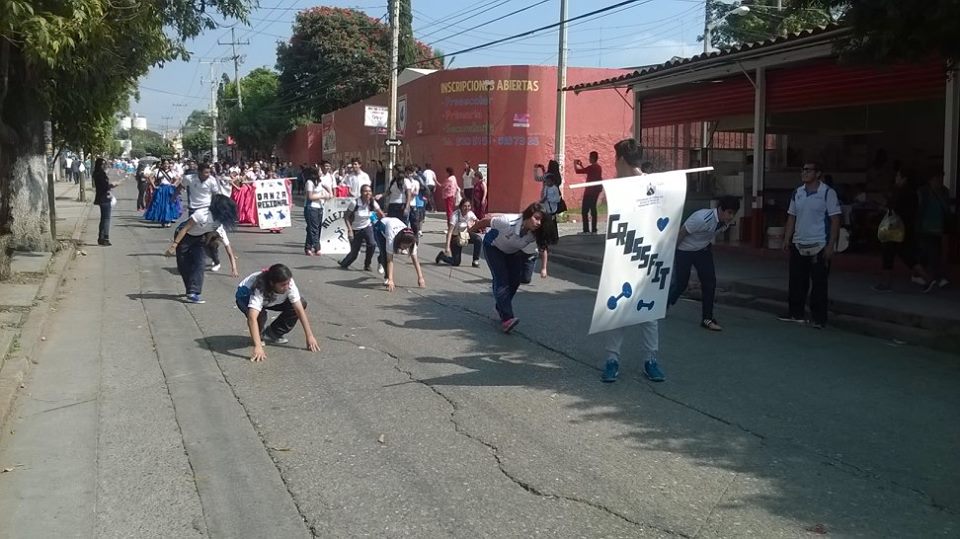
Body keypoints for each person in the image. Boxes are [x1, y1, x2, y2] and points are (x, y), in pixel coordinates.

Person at [600, 138, 665, 383]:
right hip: (620, 255)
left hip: (646, 254)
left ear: (620, 159)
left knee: (649, 312)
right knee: (617, 309)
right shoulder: (615, 188)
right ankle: (612, 360)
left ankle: (650, 360)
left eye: (615, 158)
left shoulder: (653, 184)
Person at [778, 162, 841, 329]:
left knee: (819, 283)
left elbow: (835, 220)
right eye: (803, 170)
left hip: (819, 243)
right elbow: (792, 216)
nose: (804, 173)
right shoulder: (797, 192)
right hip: (799, 243)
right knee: (797, 281)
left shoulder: (827, 193)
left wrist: (831, 245)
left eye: (808, 170)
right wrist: (787, 238)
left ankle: (819, 319)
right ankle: (795, 313)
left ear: (818, 173)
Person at [470, 203, 547, 334]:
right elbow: (484, 222)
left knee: (515, 280)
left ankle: (500, 306)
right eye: (536, 218)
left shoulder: (534, 234)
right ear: (528, 216)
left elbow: (543, 248)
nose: (538, 223)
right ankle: (507, 319)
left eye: (541, 220)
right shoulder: (506, 222)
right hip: (493, 247)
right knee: (502, 279)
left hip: (512, 251)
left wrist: (544, 267)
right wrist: (469, 232)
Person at [668, 196, 741, 331]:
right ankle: (664, 304)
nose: (731, 217)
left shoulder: (725, 223)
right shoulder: (701, 218)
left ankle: (707, 319)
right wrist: (670, 253)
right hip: (684, 251)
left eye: (734, 213)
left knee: (709, 282)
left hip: (703, 250)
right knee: (681, 284)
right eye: (729, 212)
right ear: (721, 209)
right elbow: (682, 233)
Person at [235, 264, 320, 363]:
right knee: (261, 315)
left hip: (270, 299)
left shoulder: (289, 283)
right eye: (283, 285)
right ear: (272, 283)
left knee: (301, 302)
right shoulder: (259, 286)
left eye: (288, 283)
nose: (287, 287)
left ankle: (273, 333)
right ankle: (259, 336)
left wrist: (310, 336)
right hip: (245, 296)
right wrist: (257, 346)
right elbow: (252, 317)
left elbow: (299, 310)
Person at [165, 194, 239, 303]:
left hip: (199, 238)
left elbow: (226, 245)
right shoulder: (201, 214)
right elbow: (185, 229)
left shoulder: (219, 223)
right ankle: (190, 288)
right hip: (184, 236)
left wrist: (234, 267)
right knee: (183, 266)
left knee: (199, 263)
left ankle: (193, 292)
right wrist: (174, 245)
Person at [874, 169, 934, 292]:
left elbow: (894, 209)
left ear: (904, 178)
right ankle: (927, 278)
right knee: (906, 254)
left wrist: (883, 207)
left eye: (898, 176)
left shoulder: (901, 193)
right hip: (907, 228)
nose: (896, 178)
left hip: (895, 228)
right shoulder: (913, 193)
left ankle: (886, 283)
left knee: (888, 253)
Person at [917, 170, 953, 289]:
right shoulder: (923, 191)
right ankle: (932, 277)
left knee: (935, 252)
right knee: (929, 252)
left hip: (939, 227)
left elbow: (946, 208)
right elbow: (919, 208)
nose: (939, 181)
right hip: (925, 226)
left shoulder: (944, 191)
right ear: (930, 179)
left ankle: (932, 276)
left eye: (941, 178)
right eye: (937, 178)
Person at [339, 184, 385, 271]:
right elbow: (346, 217)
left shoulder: (372, 202)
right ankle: (344, 263)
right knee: (354, 254)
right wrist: (350, 230)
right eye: (365, 191)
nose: (368, 193)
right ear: (361, 193)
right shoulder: (355, 203)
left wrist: (383, 223)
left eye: (369, 191)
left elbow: (381, 214)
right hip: (356, 229)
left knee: (372, 244)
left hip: (367, 226)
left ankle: (367, 264)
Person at [375, 216, 425, 292]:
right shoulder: (391, 239)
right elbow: (390, 260)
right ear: (399, 241)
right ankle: (386, 277)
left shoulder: (412, 241)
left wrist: (420, 277)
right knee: (385, 254)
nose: (405, 249)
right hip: (380, 227)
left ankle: (380, 259)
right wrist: (391, 279)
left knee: (387, 253)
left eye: (408, 247)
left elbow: (415, 260)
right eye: (404, 246)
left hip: (394, 223)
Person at [437, 198, 482, 267]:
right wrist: (447, 247)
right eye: (465, 206)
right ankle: (442, 256)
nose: (467, 208)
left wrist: (475, 225)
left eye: (469, 206)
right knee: (456, 262)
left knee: (478, 239)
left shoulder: (470, 214)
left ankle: (475, 260)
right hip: (455, 237)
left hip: (464, 235)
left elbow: (477, 222)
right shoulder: (455, 215)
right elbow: (449, 232)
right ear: (461, 206)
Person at [537, 160, 563, 278]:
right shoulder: (552, 182)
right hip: (548, 207)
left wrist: (548, 199)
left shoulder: (553, 185)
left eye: (547, 181)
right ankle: (551, 238)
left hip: (552, 206)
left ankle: (551, 238)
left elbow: (557, 199)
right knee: (551, 222)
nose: (546, 182)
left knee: (551, 223)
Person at [144, 159, 182, 228]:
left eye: (167, 164)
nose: (166, 165)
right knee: (161, 205)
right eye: (165, 164)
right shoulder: (157, 171)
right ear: (162, 164)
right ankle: (163, 220)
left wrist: (174, 185)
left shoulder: (172, 171)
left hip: (169, 189)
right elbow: (150, 177)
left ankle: (169, 220)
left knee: (169, 204)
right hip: (161, 189)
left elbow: (179, 178)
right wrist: (154, 186)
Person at [574, 151, 603, 234]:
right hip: (596, 191)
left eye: (590, 157)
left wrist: (575, 164)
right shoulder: (598, 167)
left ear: (593, 158)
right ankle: (594, 229)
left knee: (585, 211)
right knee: (593, 209)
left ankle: (586, 230)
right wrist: (581, 165)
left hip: (589, 191)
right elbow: (587, 171)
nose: (589, 159)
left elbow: (578, 171)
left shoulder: (592, 167)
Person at [303, 166, 329, 256]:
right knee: (313, 228)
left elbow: (327, 187)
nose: (321, 171)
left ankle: (308, 247)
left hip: (319, 207)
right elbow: (310, 197)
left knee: (315, 228)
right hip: (311, 207)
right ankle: (317, 247)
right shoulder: (309, 182)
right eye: (320, 170)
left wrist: (329, 193)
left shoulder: (320, 182)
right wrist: (322, 196)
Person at [92, 158, 117, 246]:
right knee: (106, 219)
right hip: (104, 198)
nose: (105, 165)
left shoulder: (97, 173)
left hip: (101, 197)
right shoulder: (101, 174)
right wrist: (112, 185)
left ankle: (101, 237)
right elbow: (104, 186)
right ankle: (105, 238)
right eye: (103, 164)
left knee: (103, 219)